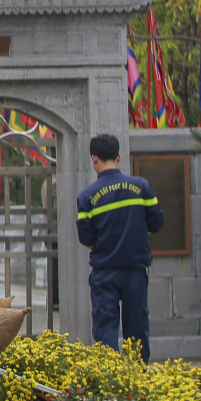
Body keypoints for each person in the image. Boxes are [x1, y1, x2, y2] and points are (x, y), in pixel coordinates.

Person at [75, 132, 163, 358]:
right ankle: (137, 380)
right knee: (137, 329)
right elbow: (157, 223)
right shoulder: (142, 187)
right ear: (119, 157)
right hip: (135, 270)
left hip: (105, 272)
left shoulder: (87, 196)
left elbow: (86, 238)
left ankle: (109, 381)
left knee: (106, 329)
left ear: (94, 159)